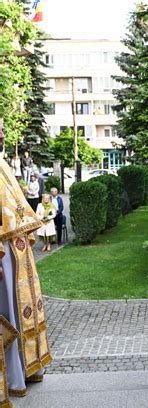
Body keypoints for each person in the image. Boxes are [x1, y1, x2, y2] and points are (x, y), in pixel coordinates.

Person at [0, 118, 52, 405]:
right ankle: (10, 377)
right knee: (6, 312)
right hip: (3, 255)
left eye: (2, 129)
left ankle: (25, 368)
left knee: (20, 312)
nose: (1, 134)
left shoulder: (3, 163)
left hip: (16, 253)